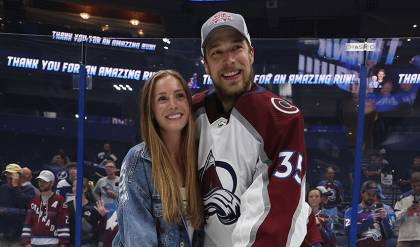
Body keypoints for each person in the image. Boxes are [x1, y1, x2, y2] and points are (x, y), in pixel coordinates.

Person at [194, 11, 321, 246]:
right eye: (217, 52)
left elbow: (281, 208)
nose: (229, 60)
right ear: (206, 65)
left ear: (251, 53)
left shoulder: (282, 118)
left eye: (236, 48)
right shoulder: (190, 113)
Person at [112, 70, 203, 247]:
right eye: (162, 99)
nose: (173, 105)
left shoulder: (203, 157)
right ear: (151, 110)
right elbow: (138, 238)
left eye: (179, 96)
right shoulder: (139, 160)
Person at [21, 170, 70, 247]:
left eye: (45, 181)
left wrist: (63, 244)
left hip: (53, 243)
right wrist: (26, 243)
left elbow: (63, 223)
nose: (41, 183)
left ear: (51, 183)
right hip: (34, 242)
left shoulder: (59, 200)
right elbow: (27, 223)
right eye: (40, 181)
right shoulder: (34, 200)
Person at [344, 180, 395, 246]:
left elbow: (389, 236)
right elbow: (348, 232)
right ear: (362, 193)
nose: (371, 197)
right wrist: (369, 221)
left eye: (374, 195)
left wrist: (385, 220)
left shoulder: (382, 212)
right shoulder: (351, 211)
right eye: (368, 194)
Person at [67, 178, 107, 247]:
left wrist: (103, 216)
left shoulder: (93, 208)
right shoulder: (68, 206)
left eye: (77, 186)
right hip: (72, 243)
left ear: (85, 189)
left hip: (89, 244)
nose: (75, 188)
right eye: (73, 186)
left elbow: (101, 230)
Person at [0, 163, 33, 247]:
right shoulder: (3, 188)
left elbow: (27, 208)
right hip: (4, 233)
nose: (9, 178)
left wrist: (15, 186)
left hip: (20, 234)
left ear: (20, 176)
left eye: (12, 176)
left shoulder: (29, 190)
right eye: (7, 175)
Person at [394, 172, 420, 247]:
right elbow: (395, 218)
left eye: (419, 185)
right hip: (404, 238)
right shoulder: (402, 198)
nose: (417, 188)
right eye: (414, 186)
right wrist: (407, 210)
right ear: (411, 184)